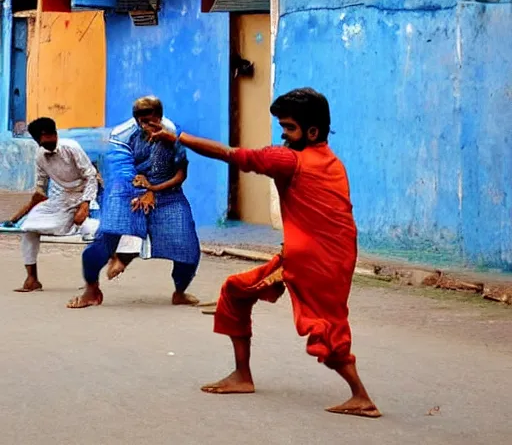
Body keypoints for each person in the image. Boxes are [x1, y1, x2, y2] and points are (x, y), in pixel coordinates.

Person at [146, 88, 381, 418]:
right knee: (235, 292)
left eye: (289, 127)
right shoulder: (332, 161)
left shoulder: (289, 160)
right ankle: (243, 376)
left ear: (312, 131)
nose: (282, 134)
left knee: (325, 328)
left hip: (312, 262)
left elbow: (231, 155)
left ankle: (361, 397)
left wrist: (179, 138)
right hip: (325, 256)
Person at [67, 96, 201, 309]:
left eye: (149, 119)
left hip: (167, 192)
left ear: (159, 116)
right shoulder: (121, 136)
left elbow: (181, 173)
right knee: (105, 238)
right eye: (140, 119)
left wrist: (154, 190)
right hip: (127, 190)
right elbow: (124, 172)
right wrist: (143, 190)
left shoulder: (174, 132)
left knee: (188, 247)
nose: (145, 124)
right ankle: (91, 290)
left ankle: (180, 291)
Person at [6, 117, 97, 292]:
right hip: (62, 198)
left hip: (88, 193)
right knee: (28, 227)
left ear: (55, 134)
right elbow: (41, 185)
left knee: (90, 230)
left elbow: (90, 176)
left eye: (50, 136)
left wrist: (85, 205)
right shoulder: (40, 156)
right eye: (43, 139)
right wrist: (32, 203)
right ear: (36, 140)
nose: (48, 141)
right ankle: (32, 279)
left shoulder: (71, 147)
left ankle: (92, 283)